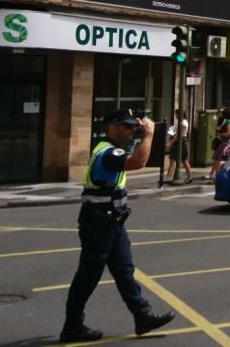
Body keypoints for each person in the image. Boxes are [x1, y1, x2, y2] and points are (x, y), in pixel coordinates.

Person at [60, 110, 175, 342]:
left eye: (134, 127)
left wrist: (144, 133)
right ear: (112, 128)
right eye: (126, 127)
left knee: (125, 271)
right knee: (88, 276)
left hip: (113, 221)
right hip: (99, 222)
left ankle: (142, 316)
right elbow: (139, 161)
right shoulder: (108, 152)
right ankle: (72, 326)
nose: (131, 130)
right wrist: (149, 134)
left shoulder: (108, 149)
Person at [206, 106, 230, 183]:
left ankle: (218, 177)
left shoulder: (229, 121)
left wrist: (220, 134)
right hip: (226, 142)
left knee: (217, 159)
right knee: (226, 160)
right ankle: (222, 176)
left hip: (226, 142)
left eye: (220, 112)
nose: (219, 114)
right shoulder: (227, 121)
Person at [165, 110, 192, 184]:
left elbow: (178, 135)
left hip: (181, 142)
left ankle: (188, 177)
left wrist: (170, 143)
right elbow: (175, 133)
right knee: (176, 160)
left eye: (176, 114)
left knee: (180, 160)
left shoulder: (183, 122)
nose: (175, 116)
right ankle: (169, 177)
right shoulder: (181, 122)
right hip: (180, 142)